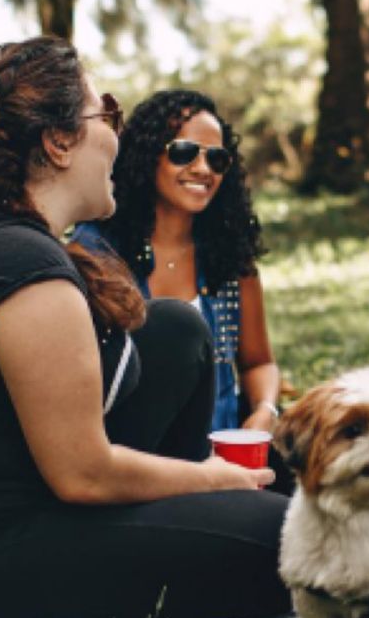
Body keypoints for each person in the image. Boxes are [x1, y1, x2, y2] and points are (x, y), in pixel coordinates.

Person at [0, 38, 290, 618]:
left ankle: (202, 512)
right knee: (291, 540)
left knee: (176, 329)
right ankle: (211, 512)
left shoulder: (0, 236)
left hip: (13, 498)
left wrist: (213, 481)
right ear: (57, 143)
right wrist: (214, 477)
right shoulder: (18, 266)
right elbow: (82, 474)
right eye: (104, 113)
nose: (116, 134)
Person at [73, 90, 280, 434]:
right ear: (147, 156)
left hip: (223, 459)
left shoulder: (228, 255)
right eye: (184, 153)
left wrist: (265, 411)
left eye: (216, 159)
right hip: (132, 461)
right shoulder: (97, 253)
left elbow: (259, 362)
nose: (202, 169)